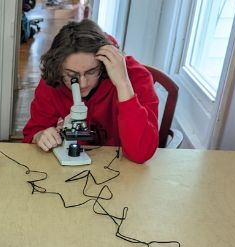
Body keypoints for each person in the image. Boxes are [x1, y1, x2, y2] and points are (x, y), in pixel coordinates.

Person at [22, 19, 159, 164]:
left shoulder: (136, 77)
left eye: (91, 71)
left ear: (102, 65)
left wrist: (123, 84)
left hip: (123, 168)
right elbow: (32, 134)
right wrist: (40, 136)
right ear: (58, 68)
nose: (82, 83)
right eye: (71, 75)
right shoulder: (54, 79)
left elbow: (140, 154)